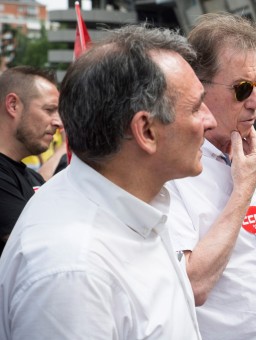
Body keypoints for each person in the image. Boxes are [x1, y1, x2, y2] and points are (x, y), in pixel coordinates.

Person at [0, 25, 214, 338]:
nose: (211, 121)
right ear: (147, 131)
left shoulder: (136, 201)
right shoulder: (73, 270)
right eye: (196, 107)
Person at [165, 12, 256, 339]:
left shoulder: (254, 154)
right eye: (242, 89)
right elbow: (192, 284)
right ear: (198, 89)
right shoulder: (171, 173)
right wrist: (242, 192)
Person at [0, 66, 61, 256]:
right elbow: (38, 250)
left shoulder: (31, 177)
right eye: (49, 110)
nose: (58, 122)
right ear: (13, 105)